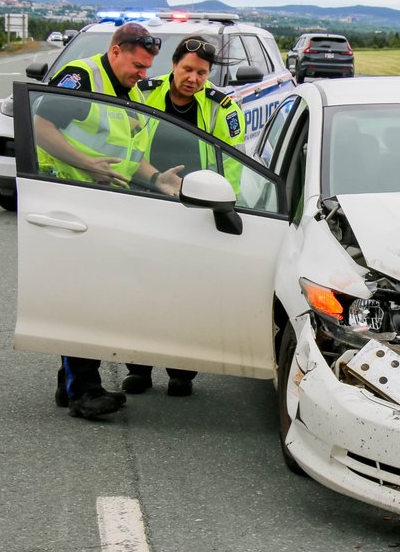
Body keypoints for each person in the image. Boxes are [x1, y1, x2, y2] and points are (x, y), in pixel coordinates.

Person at [35, 22, 182, 418]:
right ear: (115, 51)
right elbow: (39, 126)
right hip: (68, 200)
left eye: (148, 67)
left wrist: (155, 178)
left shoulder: (130, 93)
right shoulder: (83, 78)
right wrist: (85, 163)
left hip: (102, 204)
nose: (143, 74)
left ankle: (72, 386)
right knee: (81, 300)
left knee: (92, 298)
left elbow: (125, 159)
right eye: (137, 64)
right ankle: (85, 391)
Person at [119, 33, 248, 398]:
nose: (193, 78)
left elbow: (233, 165)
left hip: (195, 207)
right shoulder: (143, 92)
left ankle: (181, 372)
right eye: (187, 69)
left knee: (187, 295)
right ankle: (139, 369)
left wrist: (224, 205)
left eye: (202, 73)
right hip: (143, 198)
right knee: (139, 291)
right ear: (174, 65)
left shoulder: (223, 108)